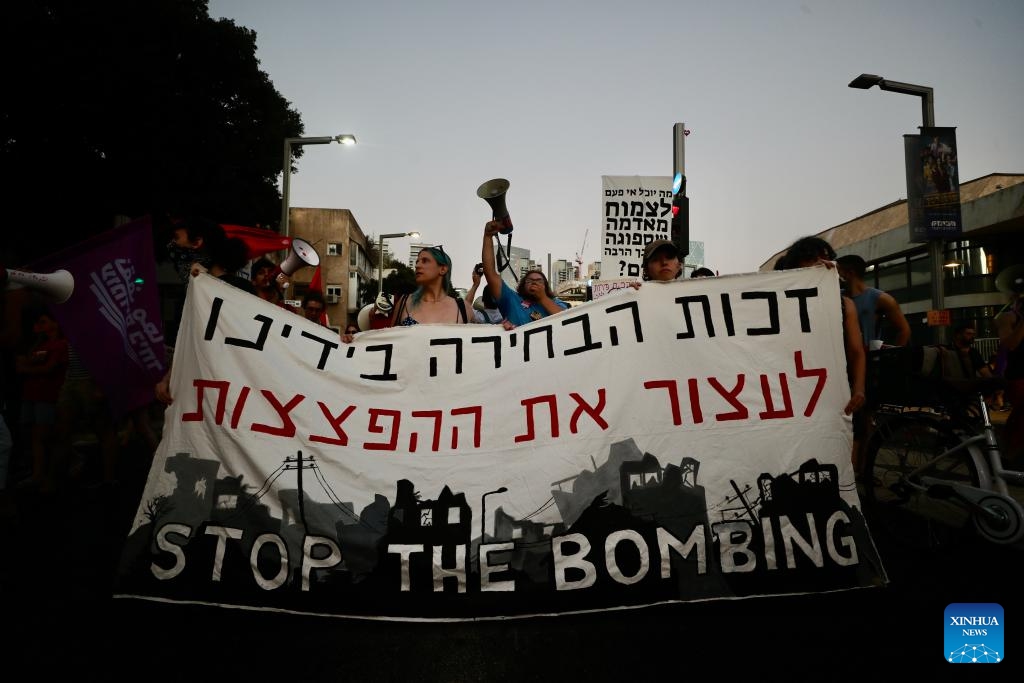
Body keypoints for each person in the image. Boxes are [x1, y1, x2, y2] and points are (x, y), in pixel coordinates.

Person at [777, 236, 867, 472]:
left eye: (826, 258)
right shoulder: (778, 301)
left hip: (837, 394)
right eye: (811, 259)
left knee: (845, 462)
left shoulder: (844, 304)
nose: (821, 264)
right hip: (793, 396)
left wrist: (858, 388)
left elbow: (857, 351)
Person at [15, 309, 69, 490]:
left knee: (41, 435)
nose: (40, 326)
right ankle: (36, 471)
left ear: (55, 323)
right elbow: (22, 363)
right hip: (31, 394)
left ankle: (40, 474)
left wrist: (29, 367)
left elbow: (48, 368)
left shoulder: (61, 344)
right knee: (31, 433)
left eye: (44, 322)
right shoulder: (39, 344)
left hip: (47, 395)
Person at [481, 220, 569, 326]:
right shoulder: (511, 299)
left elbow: (567, 320)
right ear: (523, 285)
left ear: (546, 286)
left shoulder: (556, 303)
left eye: (539, 281)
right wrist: (487, 236)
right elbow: (490, 273)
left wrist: (542, 298)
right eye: (530, 280)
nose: (534, 282)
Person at [835, 254, 911, 349]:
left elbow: (904, 330)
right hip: (841, 358)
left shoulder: (881, 298)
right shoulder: (835, 297)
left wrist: (893, 357)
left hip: (869, 358)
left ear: (850, 273)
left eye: (837, 272)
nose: (835, 276)